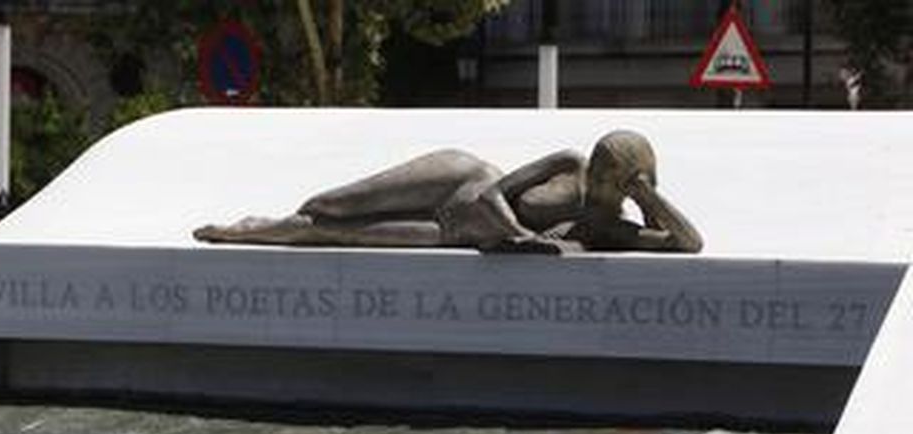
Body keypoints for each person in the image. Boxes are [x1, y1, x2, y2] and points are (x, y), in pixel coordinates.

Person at [195, 130, 702, 255]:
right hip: (461, 179)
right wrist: (521, 237)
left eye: (614, 175)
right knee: (332, 203)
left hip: (451, 232)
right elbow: (491, 195)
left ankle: (245, 230)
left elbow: (688, 244)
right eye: (603, 166)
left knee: (328, 230)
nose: (598, 175)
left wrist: (648, 197)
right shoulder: (569, 164)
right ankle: (241, 225)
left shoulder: (608, 228)